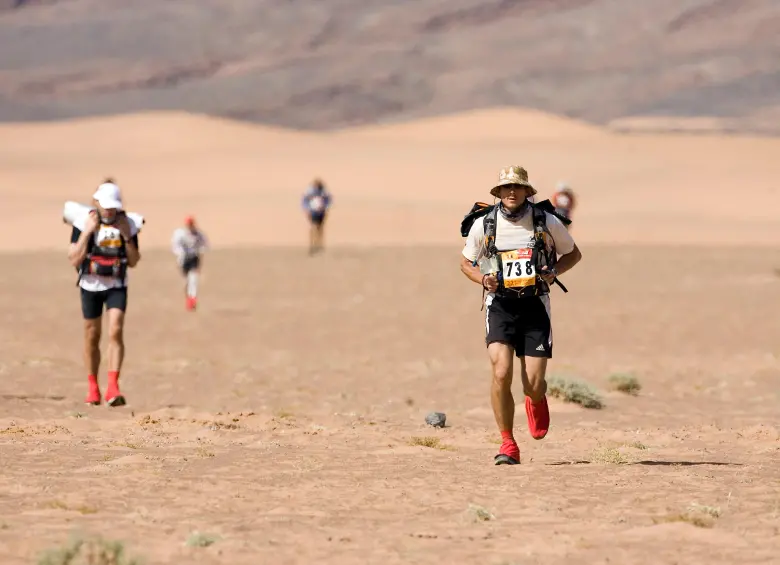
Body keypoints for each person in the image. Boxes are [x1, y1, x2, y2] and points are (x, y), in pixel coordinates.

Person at [460, 166, 582, 465]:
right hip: (499, 305)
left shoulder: (546, 221)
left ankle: (536, 398)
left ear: (528, 192)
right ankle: (508, 443)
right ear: (498, 193)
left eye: (517, 187)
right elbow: (466, 263)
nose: (511, 192)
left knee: (533, 383)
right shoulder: (484, 224)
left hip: (535, 306)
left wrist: (553, 273)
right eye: (505, 188)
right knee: (501, 372)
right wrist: (482, 280)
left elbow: (573, 253)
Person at [67, 179, 141, 407]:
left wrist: (127, 236)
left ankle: (113, 386)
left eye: (113, 206)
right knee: (92, 335)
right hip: (90, 284)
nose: (109, 210)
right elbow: (74, 259)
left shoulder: (127, 223)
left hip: (116, 284)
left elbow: (134, 260)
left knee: (116, 329)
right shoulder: (84, 222)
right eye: (105, 205)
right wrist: (87, 233)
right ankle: (92, 387)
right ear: (97, 202)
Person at [171, 215, 208, 311]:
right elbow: (175, 246)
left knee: (193, 279)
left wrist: (200, 252)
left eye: (191, 224)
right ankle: (189, 298)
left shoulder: (198, 234)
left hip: (194, 258)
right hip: (183, 259)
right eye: (188, 224)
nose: (190, 226)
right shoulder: (180, 234)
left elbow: (204, 245)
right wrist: (180, 256)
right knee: (186, 281)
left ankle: (192, 300)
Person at [301, 178, 332, 254]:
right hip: (313, 211)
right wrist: (307, 210)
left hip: (321, 212)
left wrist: (325, 208)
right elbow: (304, 201)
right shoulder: (309, 192)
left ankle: (319, 245)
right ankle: (312, 245)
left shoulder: (324, 192)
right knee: (313, 227)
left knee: (320, 228)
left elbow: (329, 201)